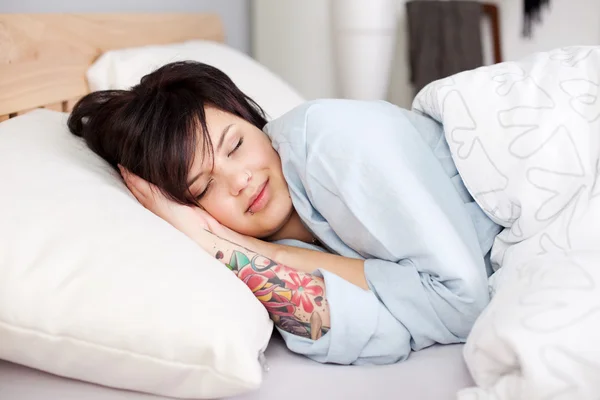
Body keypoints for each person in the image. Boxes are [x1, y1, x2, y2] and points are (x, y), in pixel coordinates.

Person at [68, 61, 501, 365]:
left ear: (250, 118)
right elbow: (376, 335)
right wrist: (211, 243)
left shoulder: (331, 141)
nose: (239, 179)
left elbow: (463, 305)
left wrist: (236, 242)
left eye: (235, 144)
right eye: (203, 186)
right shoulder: (282, 244)